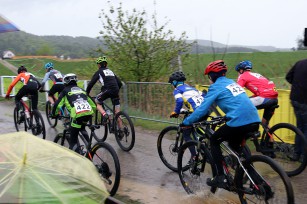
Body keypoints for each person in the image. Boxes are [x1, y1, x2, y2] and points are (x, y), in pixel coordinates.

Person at [182, 60, 260, 188]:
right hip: (254, 119)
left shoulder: (215, 87)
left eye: (209, 76)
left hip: (239, 121)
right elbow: (236, 103)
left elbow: (202, 110)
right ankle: (255, 179)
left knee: (214, 140)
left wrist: (186, 122)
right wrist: (226, 116)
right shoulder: (232, 83)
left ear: (212, 75)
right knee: (236, 147)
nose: (209, 79)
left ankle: (220, 177)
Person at [51, 73, 96, 154]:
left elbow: (57, 104)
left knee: (73, 141)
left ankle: (78, 153)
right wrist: (89, 112)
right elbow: (94, 105)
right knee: (82, 127)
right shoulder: (82, 90)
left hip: (77, 114)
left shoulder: (65, 91)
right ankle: (89, 147)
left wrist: (53, 114)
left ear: (65, 82)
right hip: (88, 113)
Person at [168, 70, 206, 156]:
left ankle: (194, 157)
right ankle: (204, 147)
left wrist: (176, 112)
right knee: (199, 130)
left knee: (185, 133)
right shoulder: (191, 88)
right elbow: (204, 95)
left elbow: (179, 101)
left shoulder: (177, 90)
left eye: (171, 83)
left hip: (196, 112)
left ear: (174, 82)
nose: (172, 85)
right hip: (206, 110)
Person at [235, 60, 278, 127]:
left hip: (264, 98)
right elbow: (261, 89)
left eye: (238, 71)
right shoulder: (257, 75)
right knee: (264, 124)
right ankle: (270, 137)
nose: (238, 74)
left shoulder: (242, 76)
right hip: (274, 99)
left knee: (241, 107)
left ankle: (252, 131)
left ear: (241, 70)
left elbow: (237, 90)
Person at [86, 56, 123, 131]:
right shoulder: (111, 71)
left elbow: (91, 84)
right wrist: (116, 91)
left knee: (96, 101)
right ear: (106, 64)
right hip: (115, 90)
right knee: (117, 112)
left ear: (99, 65)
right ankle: (121, 130)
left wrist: (86, 93)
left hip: (107, 90)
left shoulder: (99, 72)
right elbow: (119, 83)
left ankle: (105, 115)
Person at [286, 59, 307, 161]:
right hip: (305, 101)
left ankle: (296, 154)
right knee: (306, 128)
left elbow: (288, 77)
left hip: (295, 98)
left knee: (300, 127)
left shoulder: (299, 62)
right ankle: (303, 155)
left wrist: (297, 85)